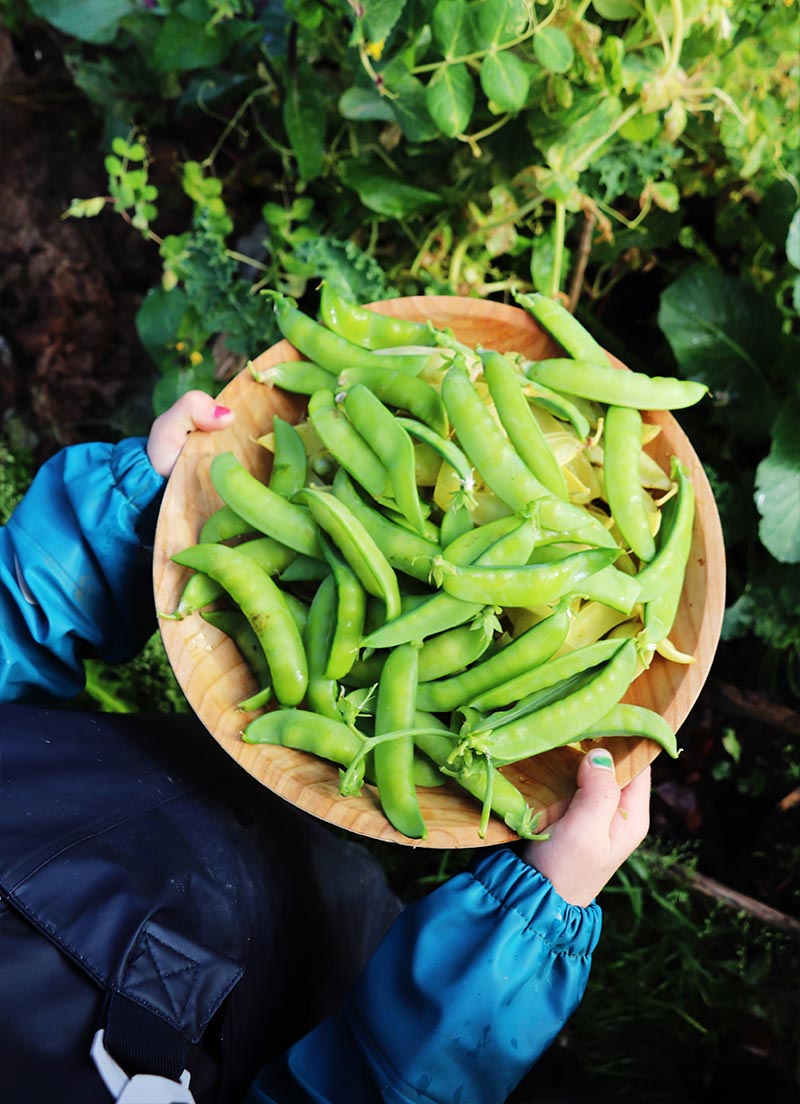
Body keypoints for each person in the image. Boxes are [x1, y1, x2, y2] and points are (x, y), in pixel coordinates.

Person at [0, 391, 651, 1104]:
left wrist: (110, 524)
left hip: (144, 787)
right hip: (308, 1007)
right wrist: (518, 942)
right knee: (458, 1039)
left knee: (339, 866)